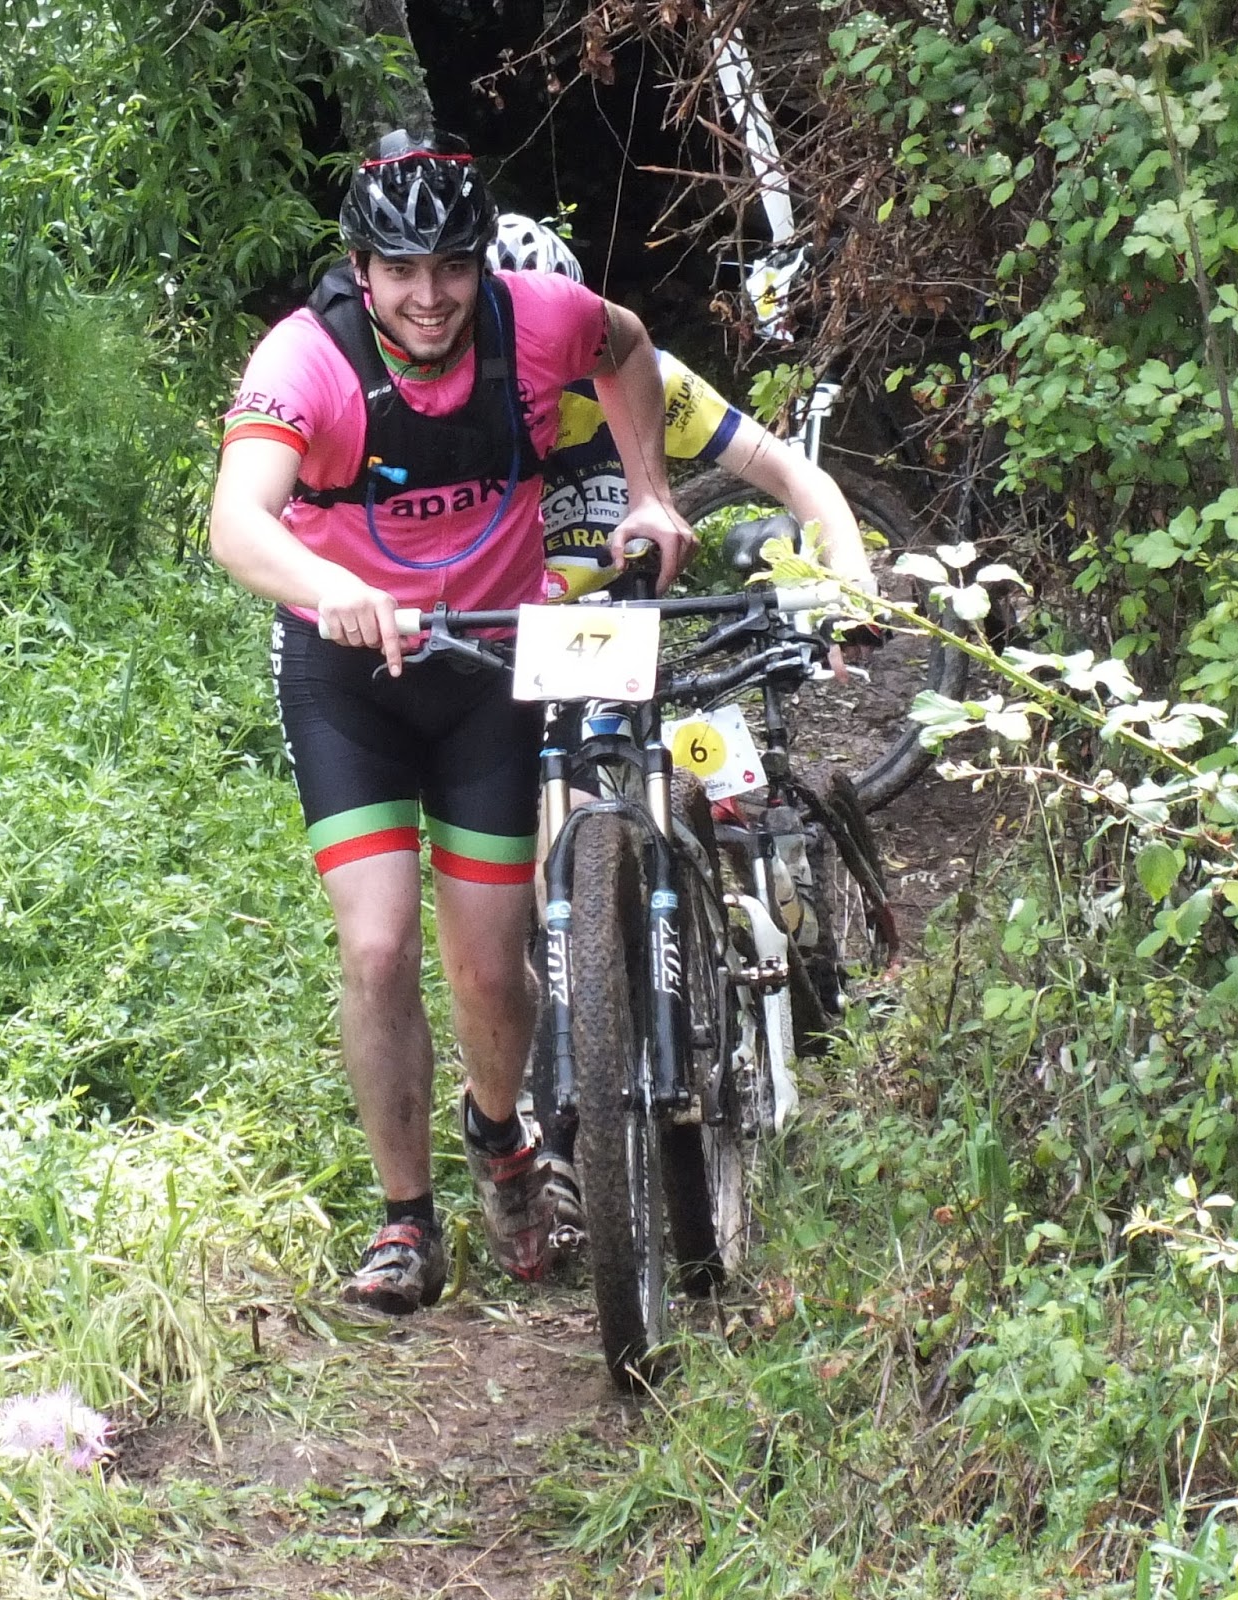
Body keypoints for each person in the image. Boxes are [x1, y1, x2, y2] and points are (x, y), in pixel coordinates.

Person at [208, 132, 696, 1315]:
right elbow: (236, 521)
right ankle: (405, 1220)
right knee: (377, 946)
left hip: (488, 660)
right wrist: (330, 587)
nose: (427, 297)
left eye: (450, 269)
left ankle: (499, 1135)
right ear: (360, 270)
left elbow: (628, 346)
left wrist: (649, 490)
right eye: (400, 271)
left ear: (481, 263)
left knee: (487, 962)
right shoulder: (307, 359)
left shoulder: (537, 320)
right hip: (350, 674)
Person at [487, 214, 878, 1242]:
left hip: (643, 623)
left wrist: (847, 583)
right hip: (529, 649)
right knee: (530, 868)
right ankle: (565, 1105)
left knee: (722, 773)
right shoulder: (465, 408)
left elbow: (797, 478)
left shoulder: (646, 379)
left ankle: (781, 903)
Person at [486, 213, 876, 604]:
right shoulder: (450, 401)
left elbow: (792, 474)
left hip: (610, 608)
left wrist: (857, 591)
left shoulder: (636, 377)